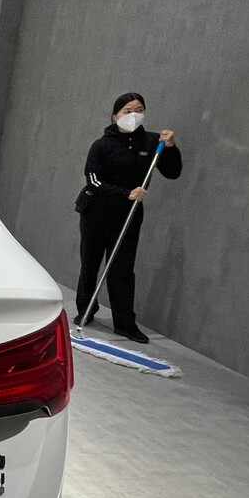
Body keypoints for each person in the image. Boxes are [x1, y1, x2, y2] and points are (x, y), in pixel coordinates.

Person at [73, 92, 181, 343]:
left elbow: (173, 172)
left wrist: (171, 148)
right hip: (96, 211)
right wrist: (126, 193)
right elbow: (93, 180)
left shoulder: (152, 142)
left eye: (139, 110)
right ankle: (86, 310)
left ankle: (124, 323)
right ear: (115, 116)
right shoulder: (101, 145)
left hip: (129, 214)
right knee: (91, 263)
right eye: (127, 111)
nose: (133, 115)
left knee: (122, 268)